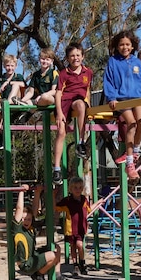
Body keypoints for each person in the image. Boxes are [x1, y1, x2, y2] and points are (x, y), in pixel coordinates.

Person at [103, 30, 141, 180]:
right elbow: (109, 80)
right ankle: (130, 163)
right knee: (131, 124)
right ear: (117, 47)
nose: (124, 47)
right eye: (121, 45)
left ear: (132, 46)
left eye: (127, 45)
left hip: (137, 98)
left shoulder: (137, 62)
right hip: (121, 98)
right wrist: (111, 97)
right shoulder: (113, 61)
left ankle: (135, 150)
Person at [12, 184, 68, 280]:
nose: (26, 221)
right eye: (24, 219)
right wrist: (21, 191)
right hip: (26, 264)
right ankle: (38, 274)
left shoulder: (31, 228)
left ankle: (57, 275)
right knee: (52, 255)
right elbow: (19, 208)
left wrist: (37, 193)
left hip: (33, 257)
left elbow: (34, 210)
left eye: (28, 219)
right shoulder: (18, 229)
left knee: (57, 248)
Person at [53, 42, 93, 186]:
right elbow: (58, 94)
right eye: (72, 56)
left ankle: (80, 143)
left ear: (82, 56)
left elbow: (87, 90)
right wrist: (58, 112)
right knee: (61, 132)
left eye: (77, 55)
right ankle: (56, 168)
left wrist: (89, 105)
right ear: (68, 58)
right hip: (65, 101)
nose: (75, 58)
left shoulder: (88, 72)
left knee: (82, 105)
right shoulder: (64, 73)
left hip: (78, 100)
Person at [55, 177, 92, 275]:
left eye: (80, 187)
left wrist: (99, 203)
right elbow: (57, 207)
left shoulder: (84, 199)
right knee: (73, 246)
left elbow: (89, 210)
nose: (78, 190)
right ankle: (75, 264)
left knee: (80, 245)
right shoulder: (67, 200)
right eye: (75, 188)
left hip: (81, 228)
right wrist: (53, 195)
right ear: (70, 189)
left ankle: (82, 262)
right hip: (70, 228)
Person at [0, 54, 26, 137]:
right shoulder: (0, 80)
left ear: (16, 66)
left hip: (17, 100)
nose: (10, 68)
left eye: (12, 66)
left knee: (16, 85)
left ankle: (10, 102)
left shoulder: (18, 77)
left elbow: (24, 84)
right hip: (4, 102)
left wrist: (9, 83)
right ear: (4, 66)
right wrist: (2, 102)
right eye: (8, 66)